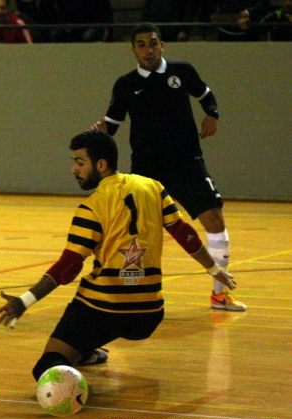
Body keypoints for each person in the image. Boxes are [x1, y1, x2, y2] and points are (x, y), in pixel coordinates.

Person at [0, 130, 237, 379]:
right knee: (89, 333)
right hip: (149, 313)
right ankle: (85, 351)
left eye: (80, 163)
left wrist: (24, 301)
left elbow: (69, 266)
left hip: (105, 310)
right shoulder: (153, 187)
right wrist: (215, 270)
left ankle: (70, 377)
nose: (74, 170)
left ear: (101, 165)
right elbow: (184, 234)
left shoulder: (92, 206)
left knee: (47, 366)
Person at [91, 22, 246, 311]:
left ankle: (220, 294)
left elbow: (206, 95)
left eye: (153, 43)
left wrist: (212, 115)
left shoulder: (182, 71)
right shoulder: (125, 84)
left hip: (187, 163)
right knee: (138, 234)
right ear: (133, 49)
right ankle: (130, 293)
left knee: (215, 221)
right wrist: (100, 134)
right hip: (147, 170)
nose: (148, 50)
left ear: (162, 45)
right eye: (141, 45)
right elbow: (112, 124)